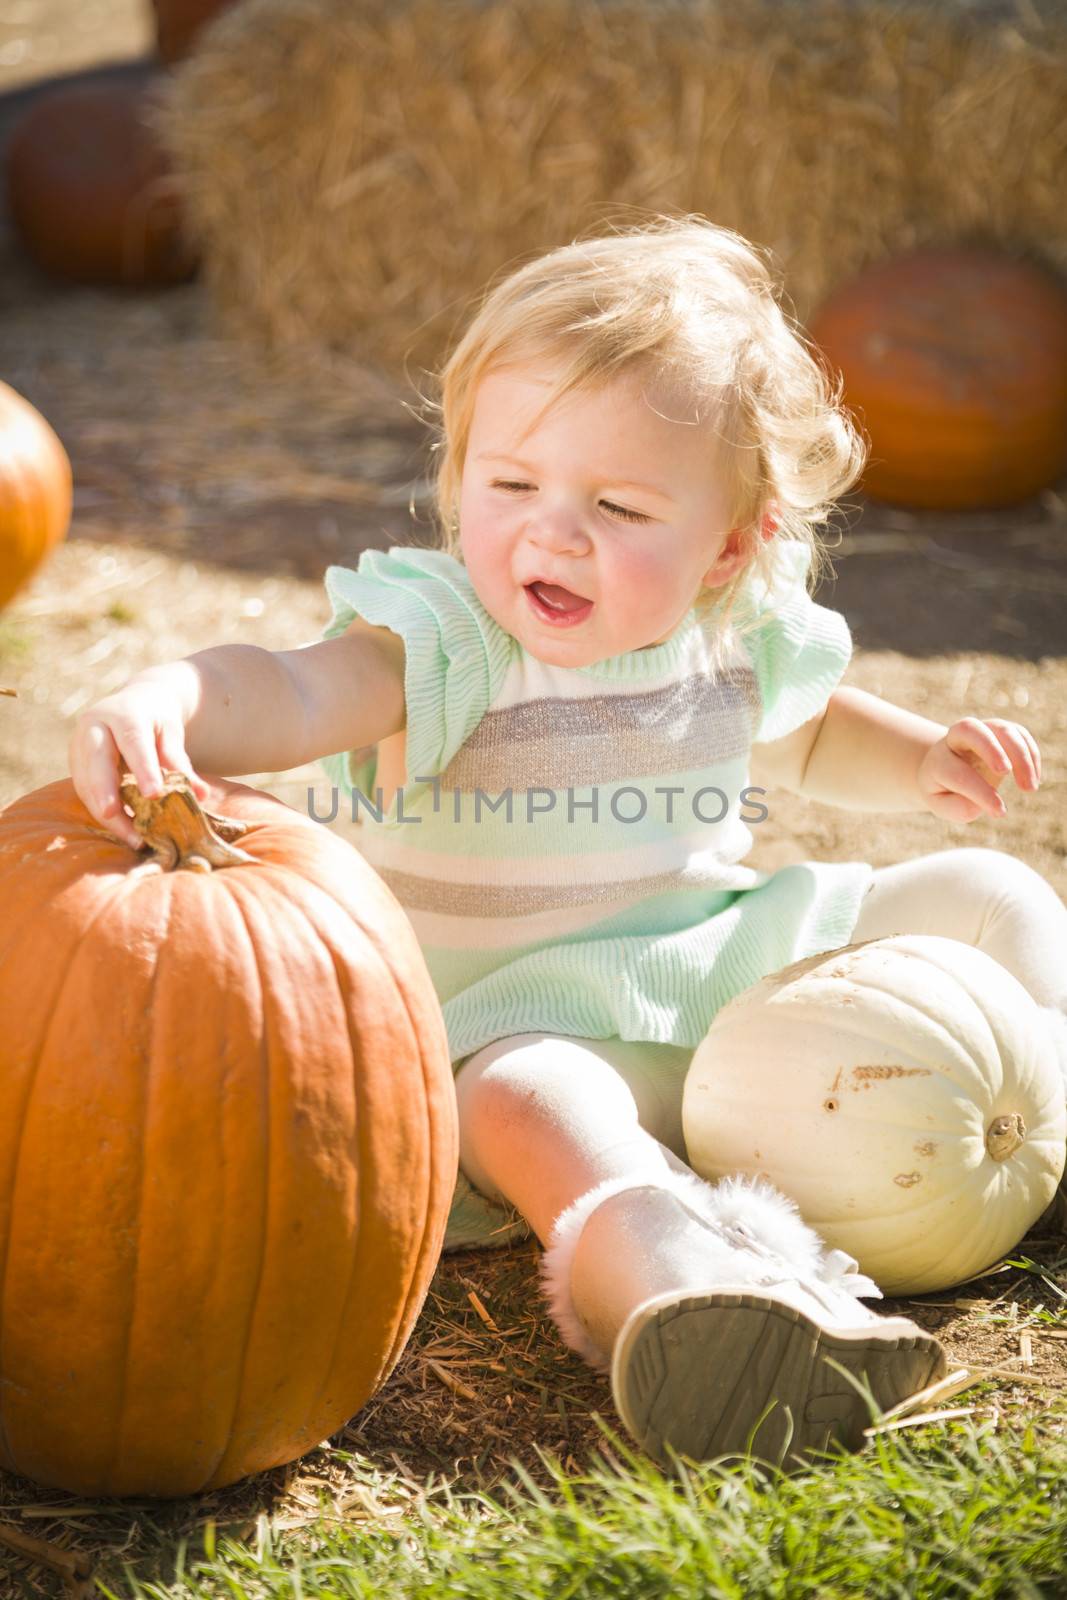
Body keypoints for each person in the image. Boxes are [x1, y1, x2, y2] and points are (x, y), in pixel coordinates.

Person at [69, 216, 1067, 1473]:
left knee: (988, 890)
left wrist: (921, 758)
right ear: (462, 473)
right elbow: (296, 688)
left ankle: (1046, 1110)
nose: (551, 533)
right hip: (519, 1018)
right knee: (525, 1098)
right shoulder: (446, 640)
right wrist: (176, 697)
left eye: (616, 504)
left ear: (728, 543)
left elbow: (810, 740)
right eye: (511, 486)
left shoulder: (730, 631)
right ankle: (668, 1273)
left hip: (715, 971)